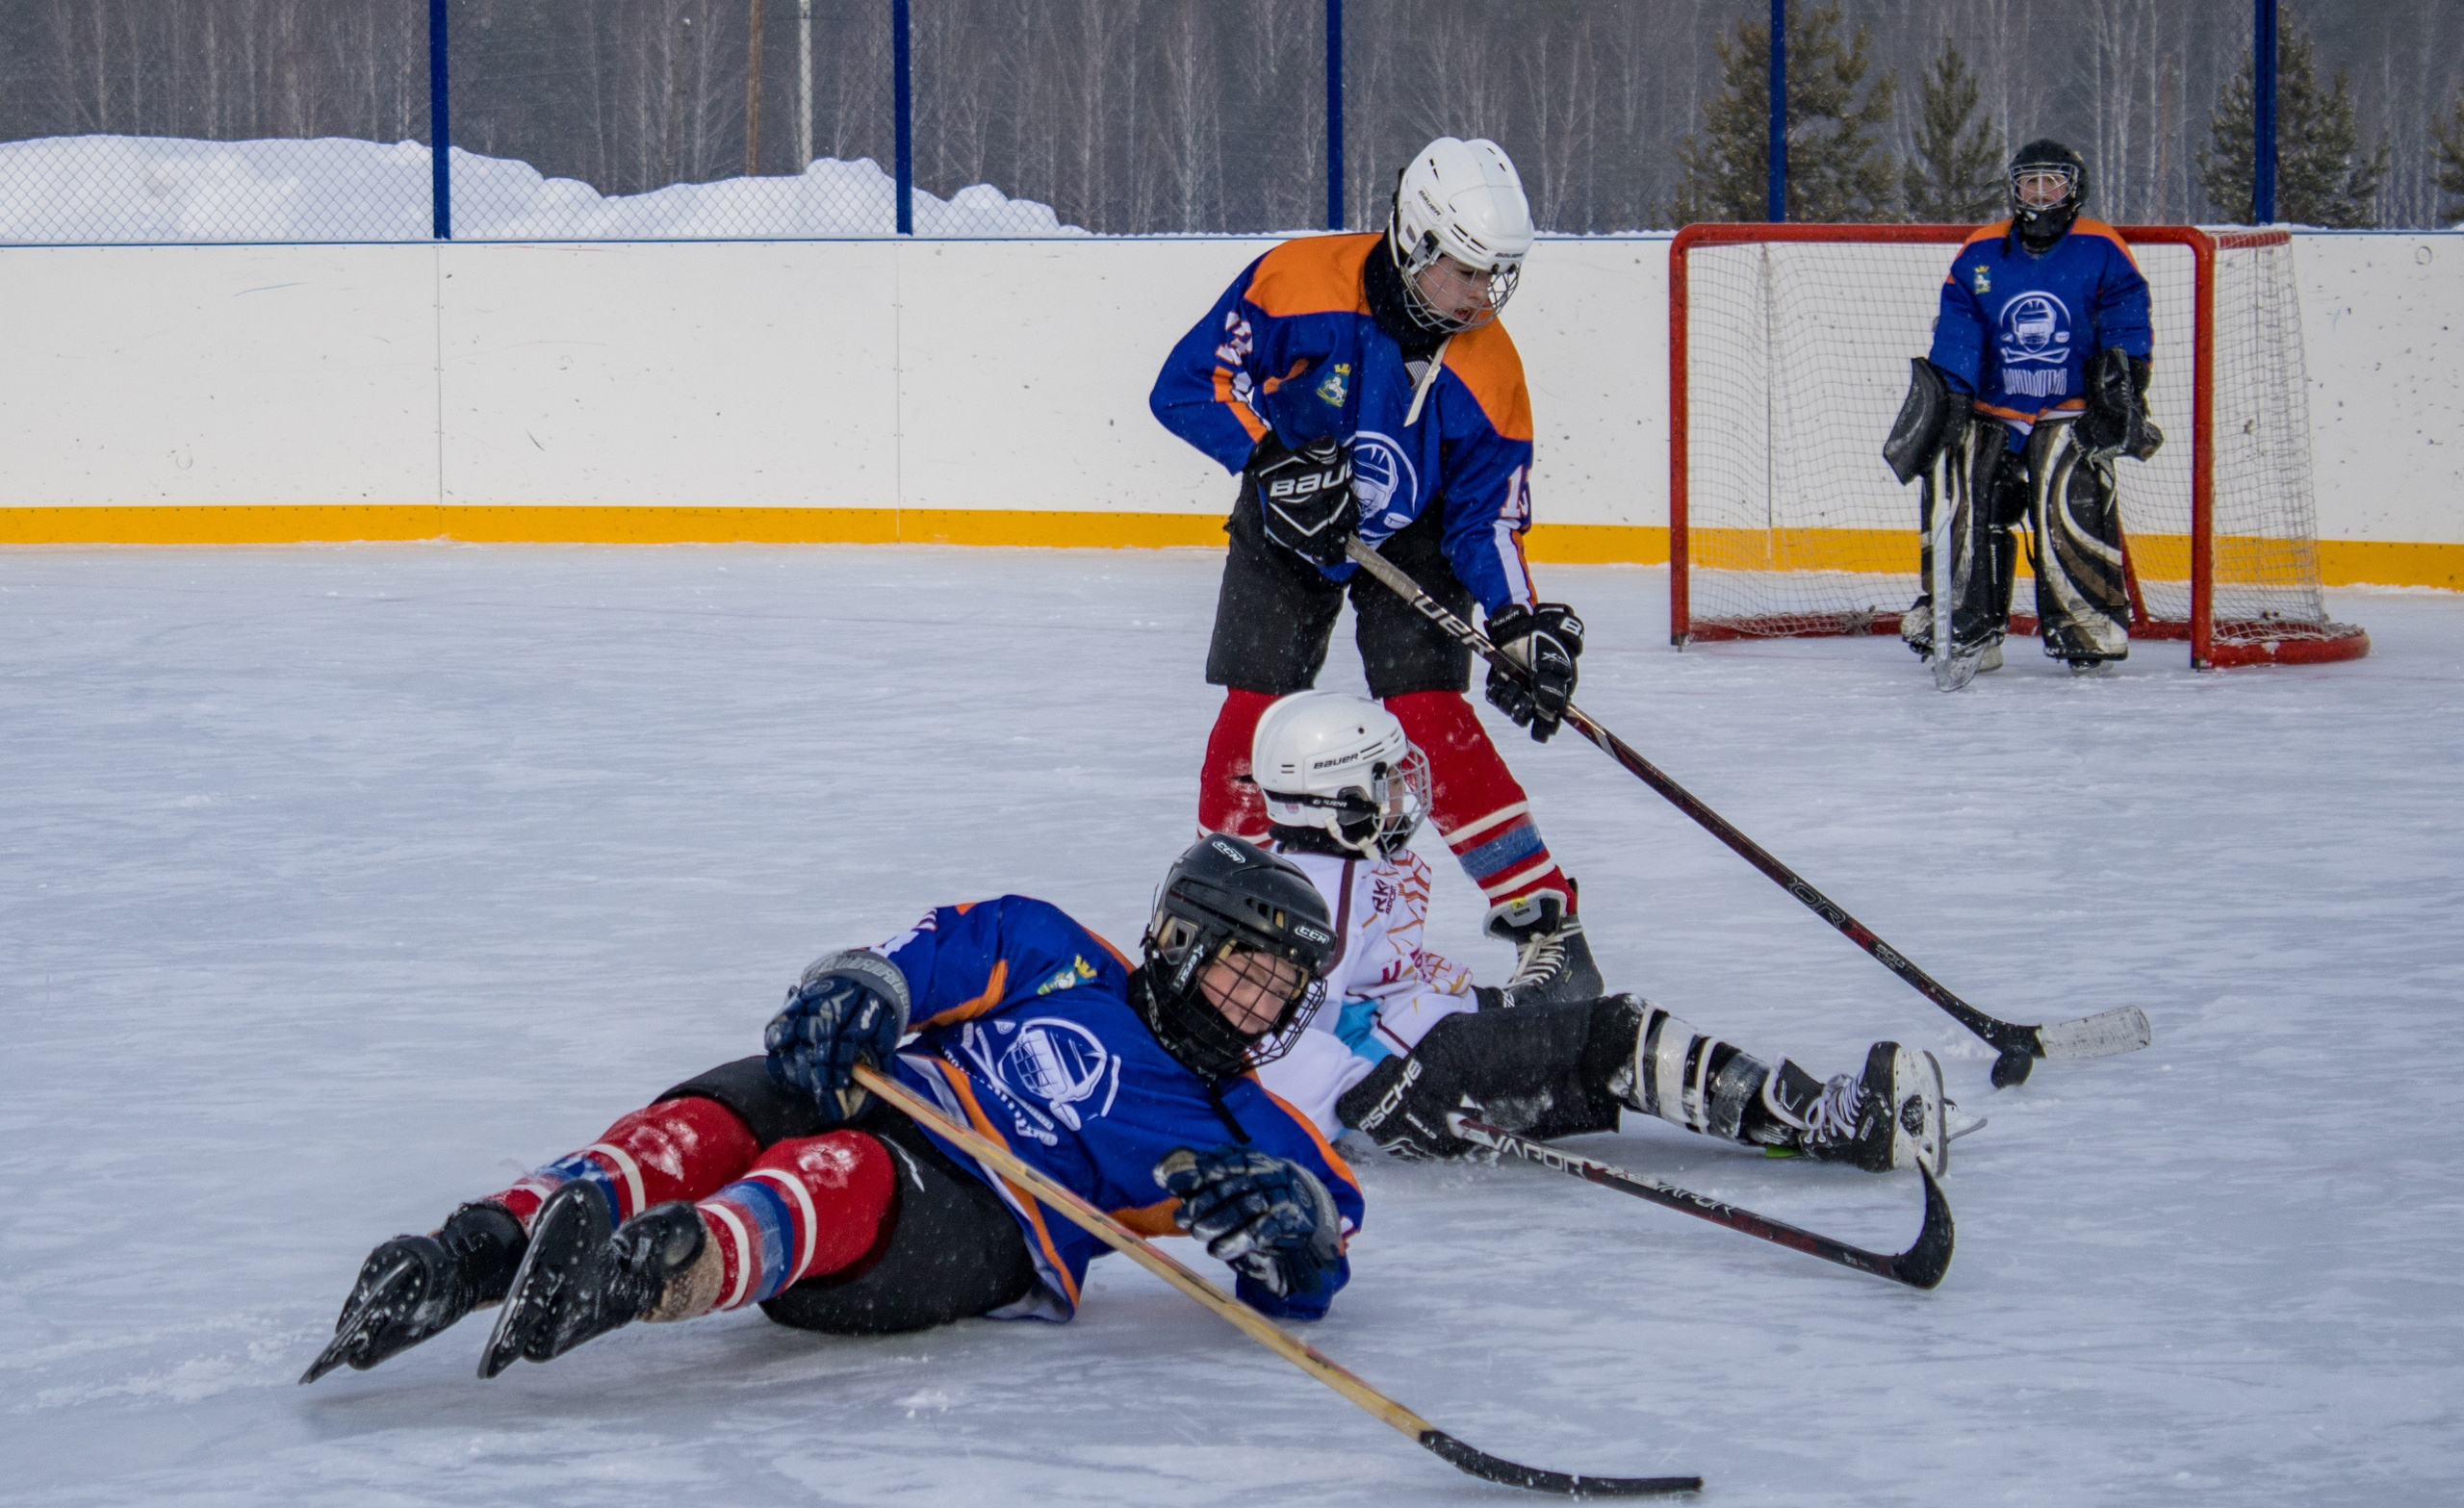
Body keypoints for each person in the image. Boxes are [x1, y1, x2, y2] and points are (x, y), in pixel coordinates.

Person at [302, 836, 1366, 1386]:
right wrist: (859, 990)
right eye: (1250, 973)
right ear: (1182, 942)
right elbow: (921, 959)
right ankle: (487, 1242)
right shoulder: (1055, 951)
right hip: (894, 1098)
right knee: (733, 1114)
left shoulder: (1247, 1126)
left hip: (984, 1226)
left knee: (842, 1175)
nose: (1264, 1007)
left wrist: (1293, 1237)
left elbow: (1321, 1238)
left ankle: (663, 1267)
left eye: (1283, 990)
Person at [1148, 135, 1599, 1003]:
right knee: (1254, 712)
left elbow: (1487, 515)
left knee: (1431, 715)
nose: (1481, 296)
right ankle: (1215, 921)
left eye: (1495, 275)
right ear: (1416, 242)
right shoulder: (1296, 283)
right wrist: (1266, 459)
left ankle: (1548, 921)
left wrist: (1518, 621)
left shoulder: (1491, 368)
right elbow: (1186, 384)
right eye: (1466, 271)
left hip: (1415, 533)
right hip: (1288, 506)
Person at [1244, 692, 1948, 1174]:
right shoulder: (1311, 894)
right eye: (1386, 778)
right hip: (1418, 1072)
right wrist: (1368, 1096)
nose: (1406, 790)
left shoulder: (1339, 866)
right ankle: (1820, 1121)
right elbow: (1271, 1041)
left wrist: (1466, 999)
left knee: (1582, 1029)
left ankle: (1790, 1107)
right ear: (1340, 800)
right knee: (1616, 1035)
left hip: (1429, 1039)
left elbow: (1373, 985)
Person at [1886, 139, 2162, 677]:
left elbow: (2125, 316)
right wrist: (1953, 392)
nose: (2039, 193)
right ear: (2014, 189)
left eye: (2051, 182)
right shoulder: (1983, 250)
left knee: (2068, 487)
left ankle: (2088, 622)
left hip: (2070, 406)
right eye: (2029, 182)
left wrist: (2125, 380)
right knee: (1959, 480)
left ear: (2073, 189)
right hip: (1997, 406)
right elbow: (1961, 322)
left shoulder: (2101, 247)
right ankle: (1964, 619)